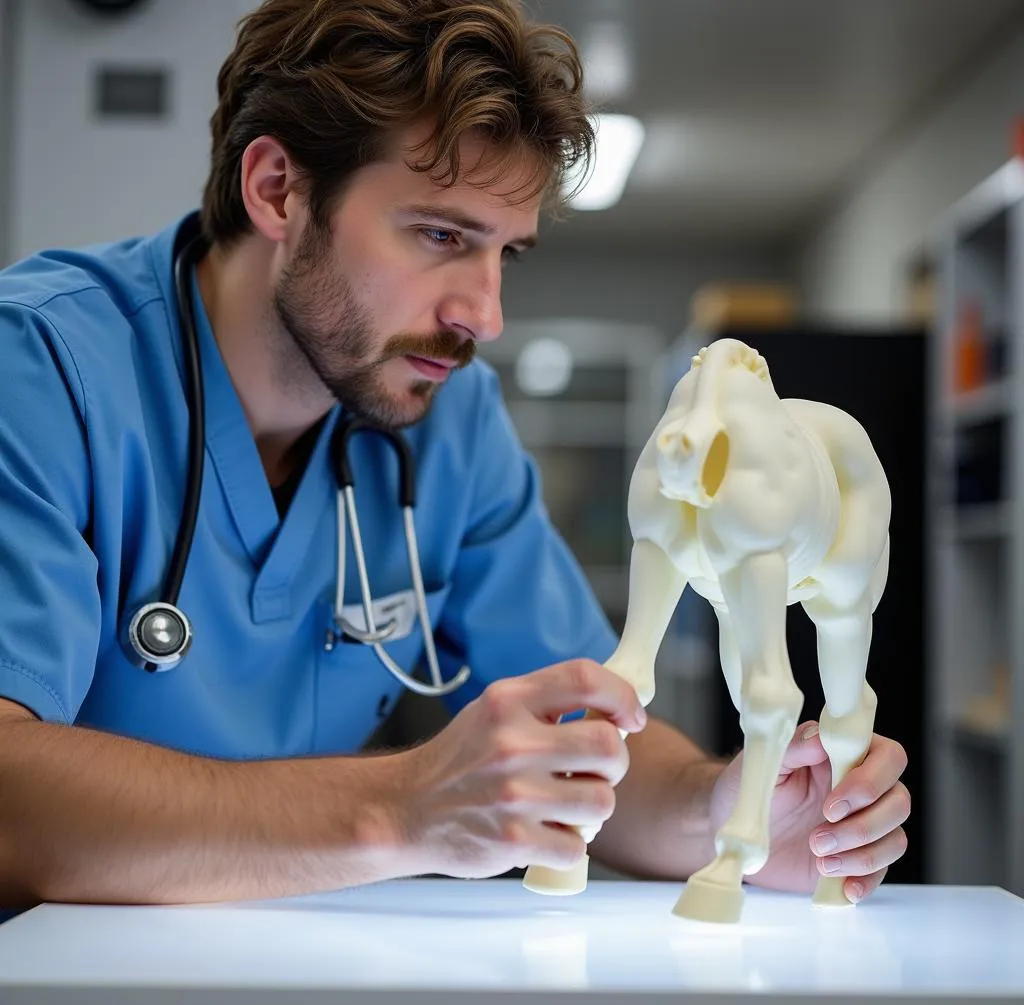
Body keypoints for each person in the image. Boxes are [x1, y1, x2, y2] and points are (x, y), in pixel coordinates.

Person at [0, 0, 909, 910]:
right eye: (441, 236)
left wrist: (730, 817)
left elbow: (590, 735)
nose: (485, 315)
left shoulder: (450, 417)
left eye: (506, 253)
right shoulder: (41, 365)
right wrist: (400, 808)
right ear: (278, 188)